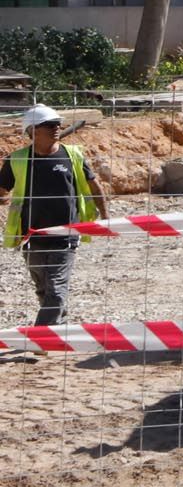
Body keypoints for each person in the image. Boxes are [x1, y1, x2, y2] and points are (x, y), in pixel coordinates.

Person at [1, 105, 103, 326]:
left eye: (58, 123)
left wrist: (105, 218)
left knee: (56, 289)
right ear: (33, 130)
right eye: (50, 124)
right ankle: (57, 327)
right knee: (43, 289)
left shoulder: (72, 155)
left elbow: (94, 187)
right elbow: (1, 191)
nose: (57, 128)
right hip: (31, 236)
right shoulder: (16, 160)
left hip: (66, 235)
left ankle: (41, 337)